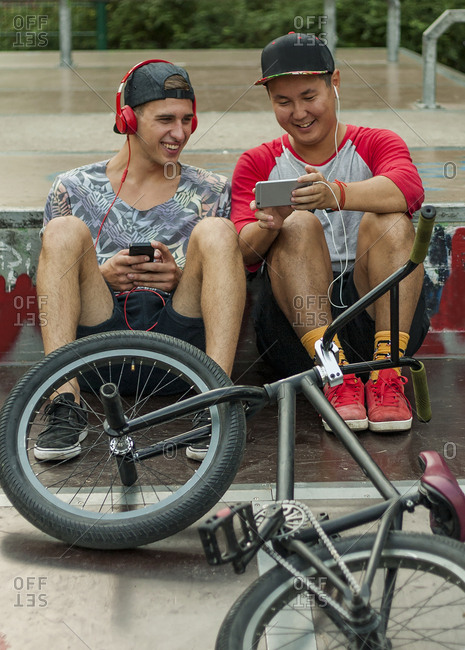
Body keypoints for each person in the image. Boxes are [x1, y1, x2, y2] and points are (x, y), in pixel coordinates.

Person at [35, 59, 245, 462]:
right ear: (128, 118)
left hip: (180, 353)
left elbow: (218, 277)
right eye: (166, 119)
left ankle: (215, 400)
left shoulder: (212, 189)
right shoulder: (73, 187)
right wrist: (101, 276)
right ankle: (63, 404)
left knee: (218, 231)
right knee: (63, 231)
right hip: (99, 352)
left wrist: (180, 278)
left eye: (188, 120)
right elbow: (55, 275)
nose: (179, 133)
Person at [231, 33, 429, 434]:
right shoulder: (258, 161)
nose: (299, 112)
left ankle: (388, 373)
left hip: (382, 322)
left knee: (388, 216)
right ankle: (334, 373)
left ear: (334, 83)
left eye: (309, 96)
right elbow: (241, 252)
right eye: (282, 102)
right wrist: (269, 227)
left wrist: (336, 194)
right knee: (298, 222)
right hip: (298, 332)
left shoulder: (376, 142)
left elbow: (410, 187)